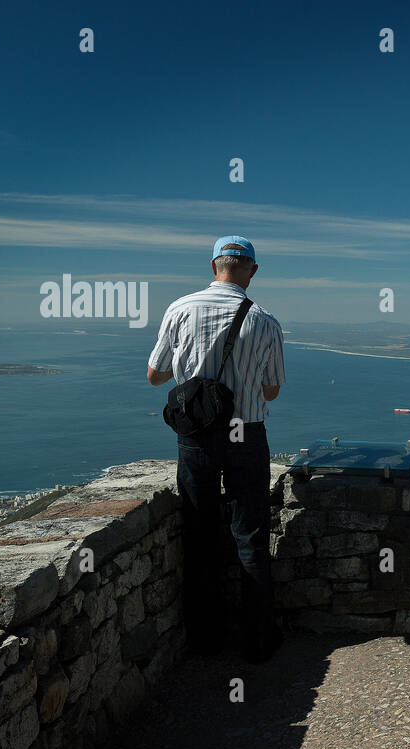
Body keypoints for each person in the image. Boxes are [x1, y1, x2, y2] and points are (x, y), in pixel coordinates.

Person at [146, 236, 286, 663]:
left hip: (196, 437)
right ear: (252, 272)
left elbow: (155, 375)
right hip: (247, 432)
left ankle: (204, 640)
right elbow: (272, 390)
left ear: (213, 267)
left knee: (200, 532)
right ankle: (257, 641)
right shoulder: (265, 320)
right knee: (251, 534)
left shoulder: (179, 309)